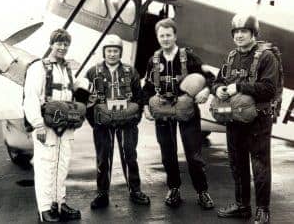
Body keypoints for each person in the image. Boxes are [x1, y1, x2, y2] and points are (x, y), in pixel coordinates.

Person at [213, 14, 279, 224]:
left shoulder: (267, 57)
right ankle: (242, 206)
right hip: (234, 119)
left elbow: (269, 89)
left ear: (253, 34)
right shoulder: (231, 57)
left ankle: (263, 210)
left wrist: (239, 87)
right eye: (236, 32)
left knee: (260, 165)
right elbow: (217, 81)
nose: (240, 35)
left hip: (258, 119)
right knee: (237, 163)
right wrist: (219, 89)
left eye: (244, 31)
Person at [142, 18, 215, 209]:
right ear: (158, 38)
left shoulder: (188, 57)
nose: (165, 39)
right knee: (168, 155)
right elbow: (148, 87)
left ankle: (202, 192)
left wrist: (205, 90)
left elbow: (209, 77)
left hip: (187, 110)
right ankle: (174, 189)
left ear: (175, 36)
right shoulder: (153, 60)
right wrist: (145, 107)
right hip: (164, 111)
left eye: (168, 35)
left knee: (194, 155)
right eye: (161, 36)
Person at [84, 34, 150, 209]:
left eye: (115, 51)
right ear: (104, 52)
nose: (112, 54)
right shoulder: (93, 72)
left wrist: (133, 118)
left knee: (130, 156)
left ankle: (135, 190)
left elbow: (139, 98)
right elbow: (85, 100)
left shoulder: (131, 72)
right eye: (109, 50)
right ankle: (102, 193)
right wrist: (96, 122)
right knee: (103, 158)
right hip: (102, 124)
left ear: (120, 53)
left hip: (127, 123)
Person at [23, 29, 81, 222]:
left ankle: (59, 203)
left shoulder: (67, 69)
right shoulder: (39, 67)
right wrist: (38, 125)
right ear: (51, 44)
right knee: (45, 165)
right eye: (59, 43)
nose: (62, 47)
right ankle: (45, 208)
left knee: (62, 165)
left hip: (65, 125)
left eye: (66, 44)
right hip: (46, 126)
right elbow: (30, 98)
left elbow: (75, 91)